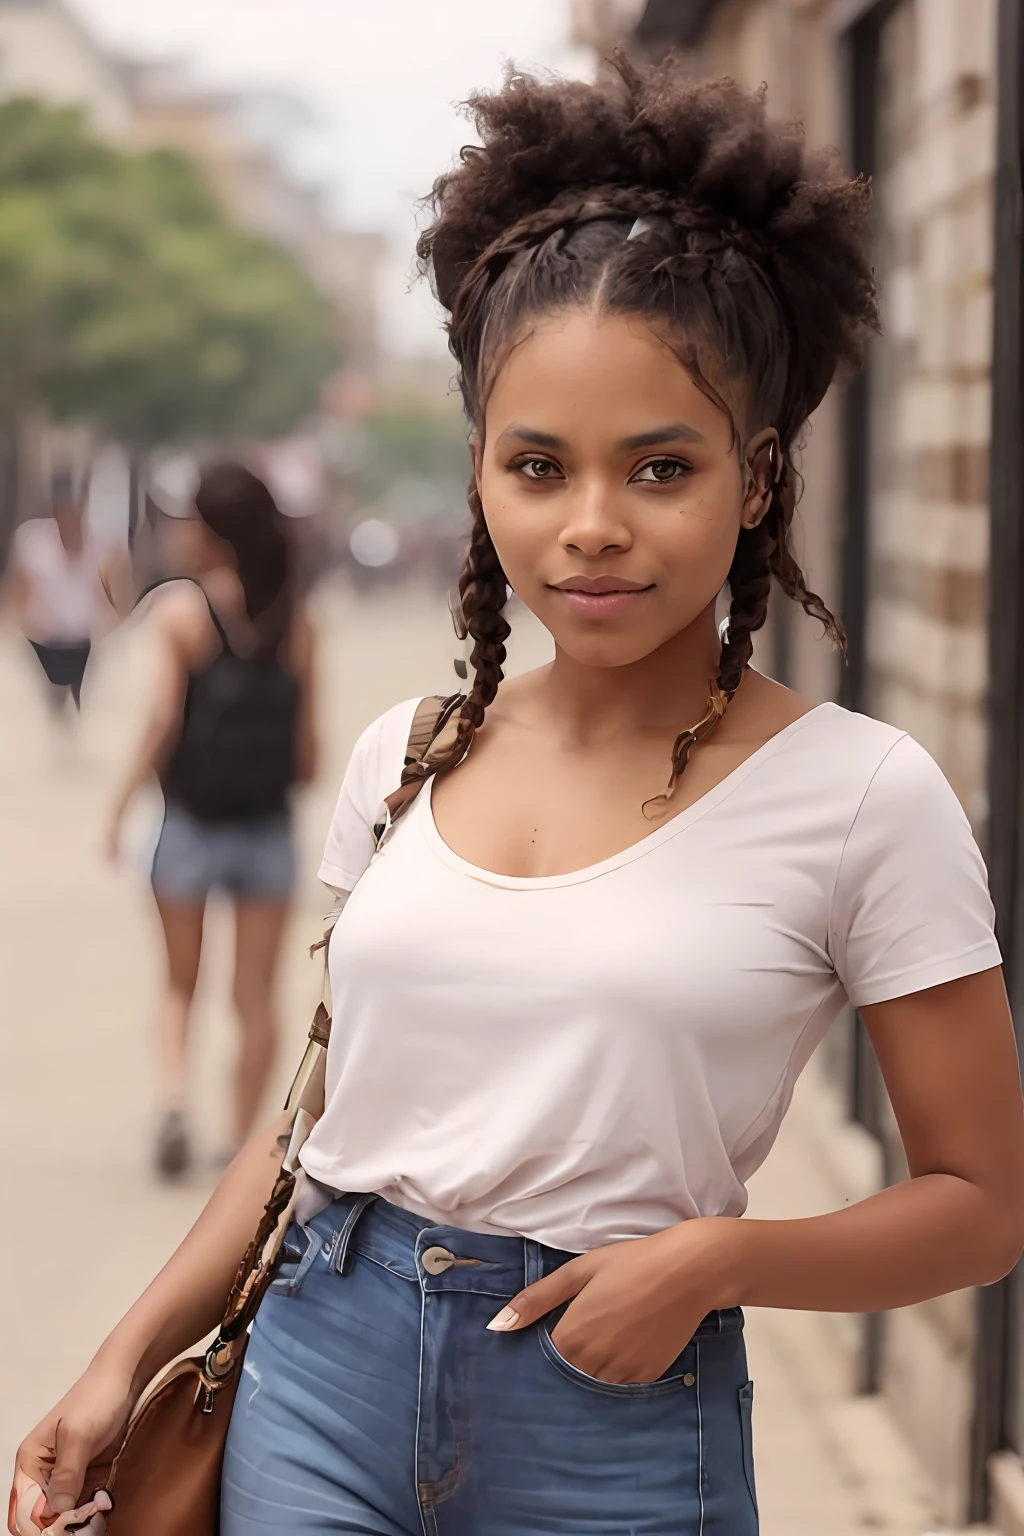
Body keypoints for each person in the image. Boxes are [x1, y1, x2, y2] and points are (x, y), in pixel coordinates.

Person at [11, 63, 1024, 1536]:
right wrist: (121, 1364)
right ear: (481, 470)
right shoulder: (407, 755)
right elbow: (304, 1138)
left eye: (659, 468)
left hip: (613, 1409)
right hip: (315, 1376)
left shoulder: (865, 797)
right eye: (538, 466)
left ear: (754, 481)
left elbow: (982, 1203)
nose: (592, 527)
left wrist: (716, 1264)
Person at [105, 461, 317, 1179]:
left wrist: (121, 805)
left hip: (190, 825)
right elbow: (310, 753)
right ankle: (239, 1148)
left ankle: (172, 1102)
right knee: (254, 994)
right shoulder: (296, 618)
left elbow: (163, 718)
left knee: (178, 982)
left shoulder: (181, 612)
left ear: (213, 530)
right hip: (265, 829)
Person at [3, 473, 126, 721]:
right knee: (49, 706)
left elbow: (116, 597)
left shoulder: (103, 545)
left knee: (85, 703)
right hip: (45, 640)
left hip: (86, 641)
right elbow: (17, 590)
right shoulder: (33, 541)